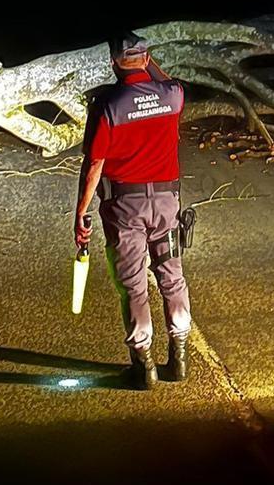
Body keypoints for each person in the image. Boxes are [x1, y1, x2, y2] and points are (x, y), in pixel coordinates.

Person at [74, 32, 189, 390]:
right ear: (145, 57)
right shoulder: (172, 95)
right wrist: (148, 61)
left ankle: (144, 368)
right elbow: (163, 77)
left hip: (125, 206)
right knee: (172, 276)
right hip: (167, 204)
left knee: (134, 284)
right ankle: (180, 358)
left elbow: (94, 164)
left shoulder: (109, 105)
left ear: (112, 63)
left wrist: (80, 212)